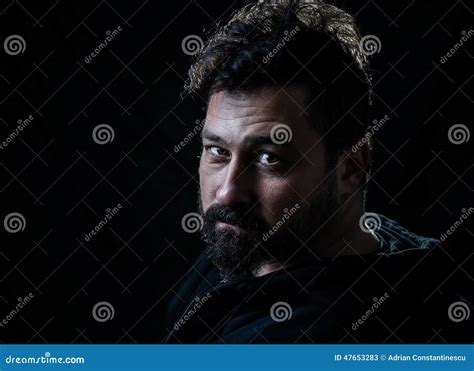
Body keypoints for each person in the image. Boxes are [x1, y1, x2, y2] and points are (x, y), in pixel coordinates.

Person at [164, 0, 471, 343]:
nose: (227, 192)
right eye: (218, 152)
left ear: (351, 167)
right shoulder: (254, 239)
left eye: (268, 159)